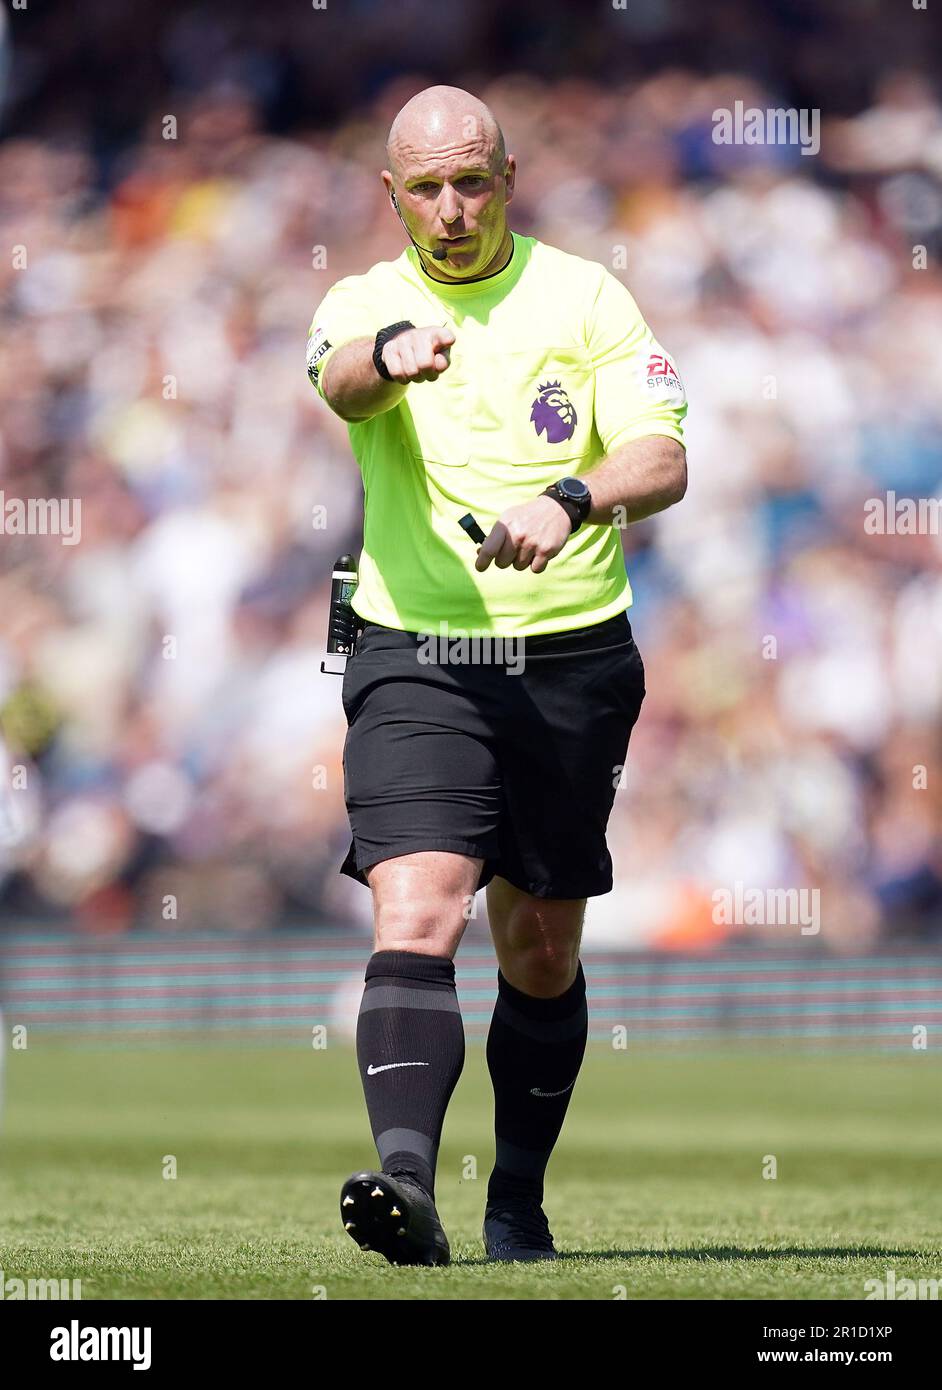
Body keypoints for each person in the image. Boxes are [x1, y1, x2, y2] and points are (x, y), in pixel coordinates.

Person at [307, 85, 687, 1266]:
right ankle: (405, 1189)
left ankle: (515, 1203)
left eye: (472, 181)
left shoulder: (585, 293)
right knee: (418, 902)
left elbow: (663, 455)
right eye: (425, 187)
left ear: (510, 178)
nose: (452, 206)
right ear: (392, 194)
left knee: (538, 948)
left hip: (570, 657)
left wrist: (570, 497)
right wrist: (394, 351)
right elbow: (341, 380)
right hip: (415, 650)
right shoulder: (363, 302)